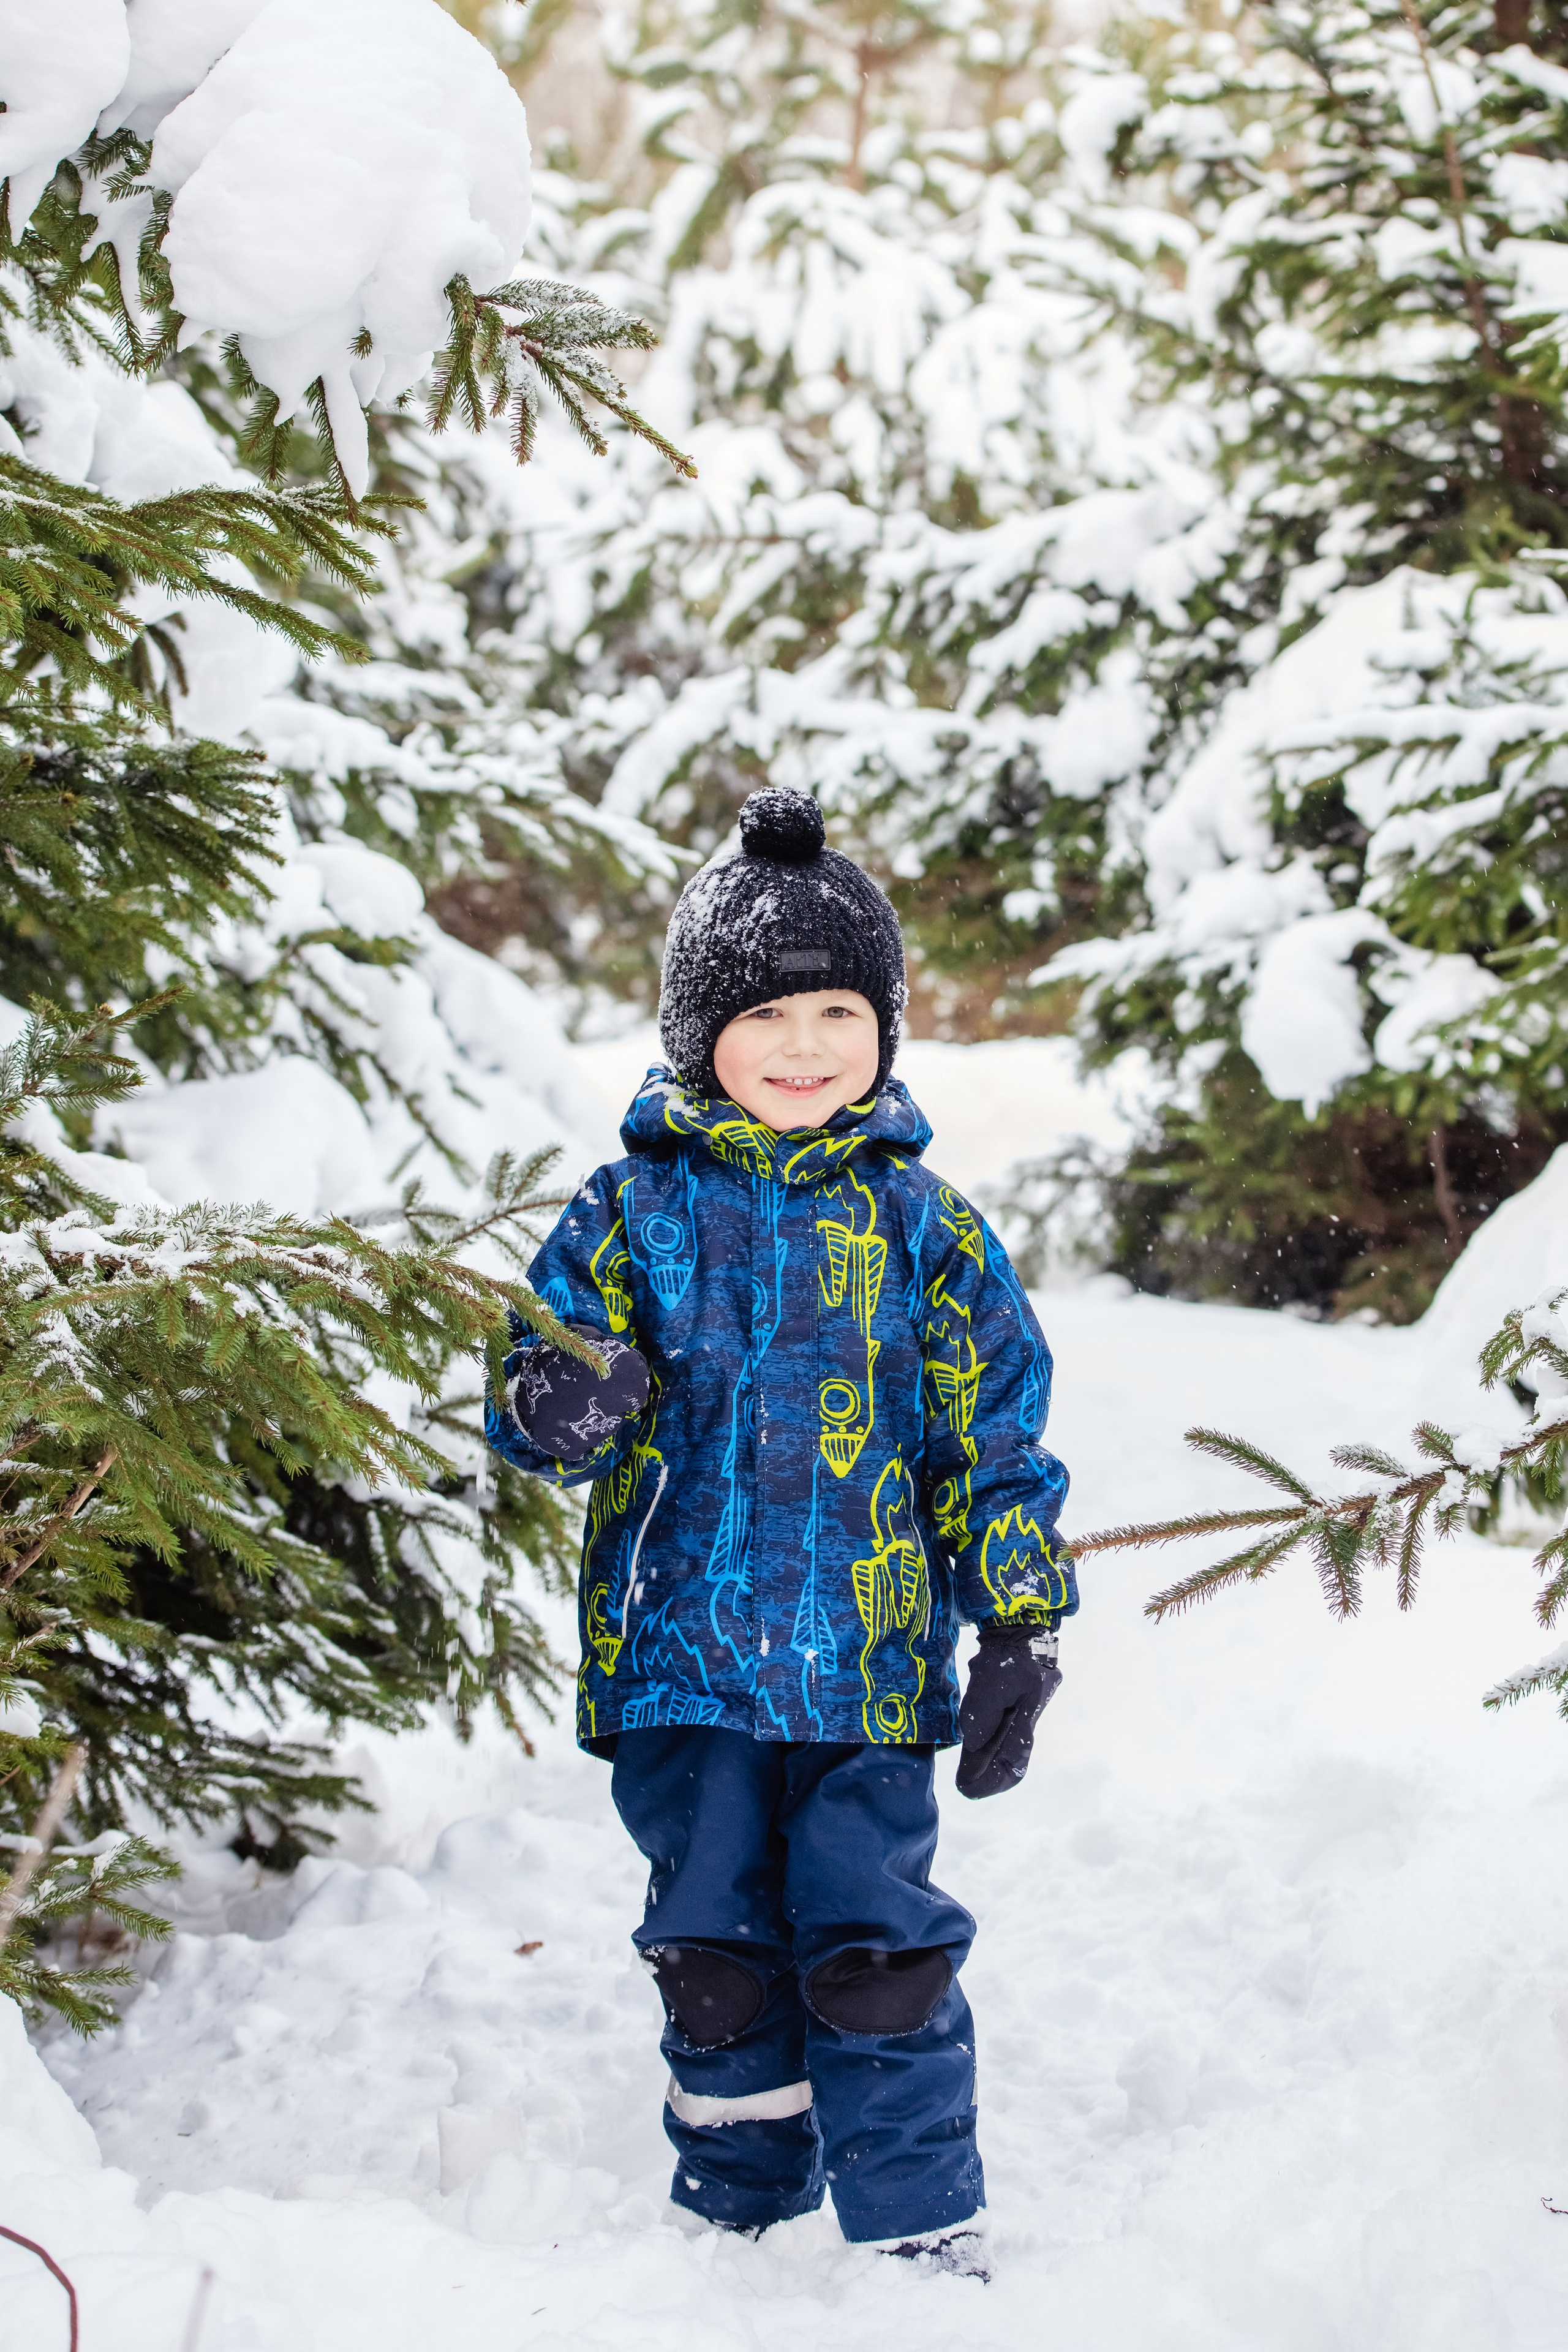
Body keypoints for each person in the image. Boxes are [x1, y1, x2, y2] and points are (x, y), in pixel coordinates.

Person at [485, 785, 1074, 2274]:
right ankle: (737, 2226)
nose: (804, 1047)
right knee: (714, 1961)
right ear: (697, 1037)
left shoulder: (925, 1226)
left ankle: (918, 2233)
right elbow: (528, 1402)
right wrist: (561, 1403)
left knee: (876, 1952)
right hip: (677, 1669)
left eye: (835, 1010)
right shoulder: (626, 1214)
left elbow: (990, 1440)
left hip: (867, 1668)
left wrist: (1016, 1615)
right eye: (764, 1018)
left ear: (881, 1027)